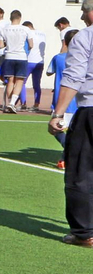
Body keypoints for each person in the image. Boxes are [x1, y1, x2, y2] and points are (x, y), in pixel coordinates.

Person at [51, 0, 93, 244]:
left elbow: (74, 76)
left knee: (80, 172)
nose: (82, 17)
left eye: (84, 12)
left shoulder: (85, 37)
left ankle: (84, 233)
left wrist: (58, 113)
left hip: (90, 109)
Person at [49, 27, 81, 172]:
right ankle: (66, 156)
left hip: (61, 101)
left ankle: (66, 155)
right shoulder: (83, 59)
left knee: (56, 129)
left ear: (66, 42)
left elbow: (49, 72)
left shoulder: (58, 58)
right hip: (79, 102)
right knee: (74, 132)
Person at [0, 10, 32, 114]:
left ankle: (10, 103)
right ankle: (12, 103)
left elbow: (0, 46)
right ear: (20, 18)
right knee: (19, 81)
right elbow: (31, 45)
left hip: (9, 56)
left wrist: (8, 44)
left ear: (10, 18)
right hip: (21, 57)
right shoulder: (26, 29)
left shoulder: (4, 29)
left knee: (10, 80)